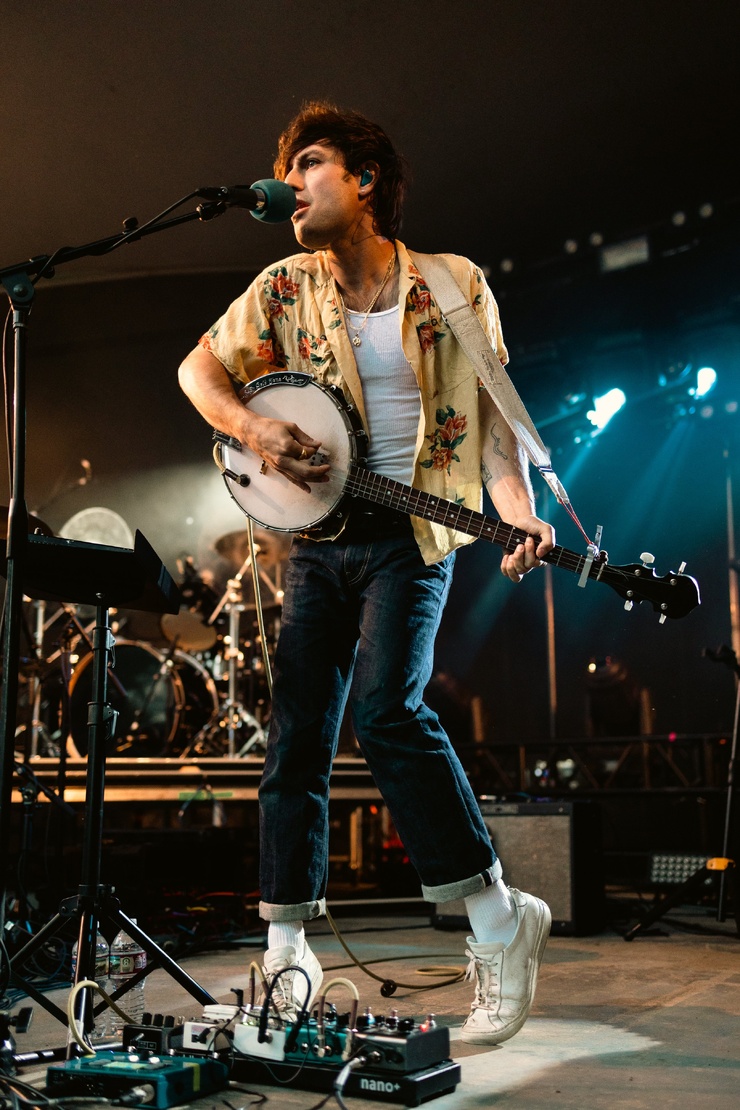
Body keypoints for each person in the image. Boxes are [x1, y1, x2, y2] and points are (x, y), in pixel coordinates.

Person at [178, 101, 555, 1046]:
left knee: (388, 708)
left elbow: (495, 421)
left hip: (414, 538)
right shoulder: (281, 286)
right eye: (286, 168)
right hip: (319, 540)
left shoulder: (452, 285)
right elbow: (198, 371)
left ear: (365, 180)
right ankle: (289, 947)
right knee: (296, 732)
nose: (290, 183)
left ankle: (499, 921)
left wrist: (516, 513)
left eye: (308, 163)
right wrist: (254, 428)